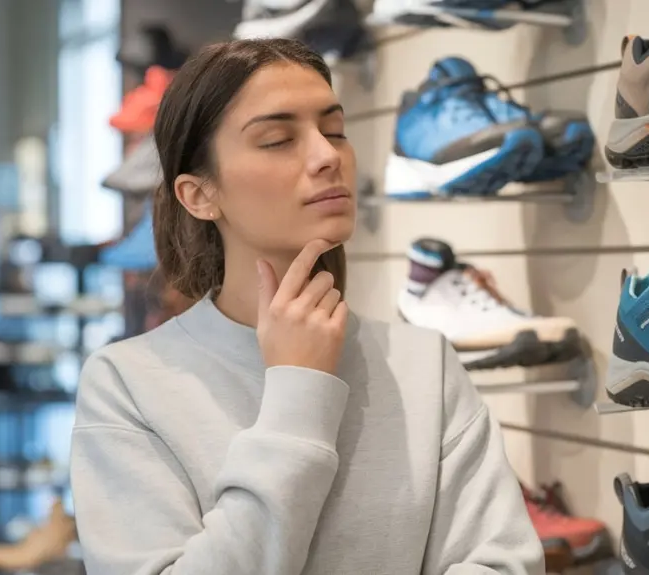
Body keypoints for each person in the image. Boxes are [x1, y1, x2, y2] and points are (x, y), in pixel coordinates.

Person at [69, 38, 544, 575]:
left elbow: (502, 563)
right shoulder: (127, 385)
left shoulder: (423, 363)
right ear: (199, 194)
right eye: (277, 139)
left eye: (335, 131)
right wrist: (298, 391)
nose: (326, 156)